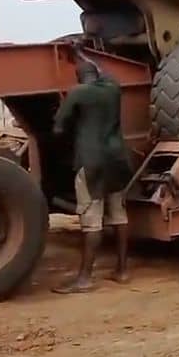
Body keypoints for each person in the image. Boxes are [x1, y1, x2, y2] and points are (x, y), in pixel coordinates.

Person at [51, 50, 133, 293]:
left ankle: (84, 279)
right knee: (119, 215)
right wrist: (80, 52)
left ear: (78, 78)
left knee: (91, 220)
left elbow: (57, 128)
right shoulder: (112, 87)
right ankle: (122, 270)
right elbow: (100, 70)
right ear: (96, 73)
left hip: (91, 160)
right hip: (117, 159)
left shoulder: (77, 93)